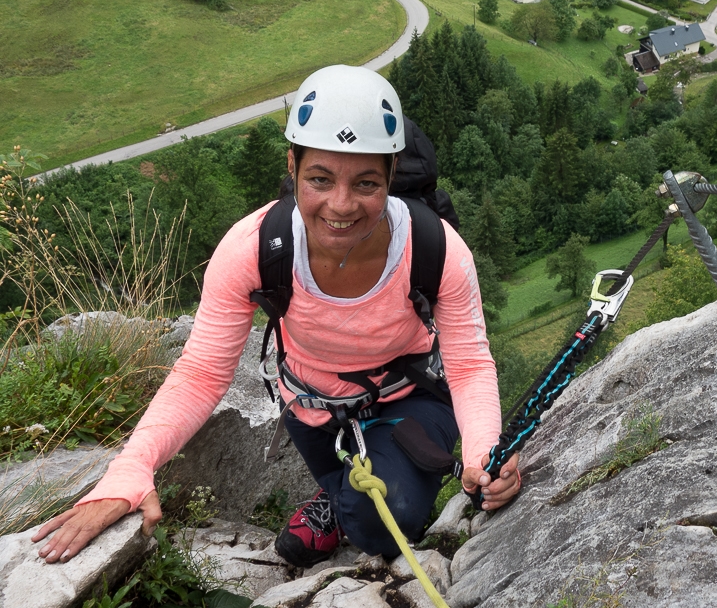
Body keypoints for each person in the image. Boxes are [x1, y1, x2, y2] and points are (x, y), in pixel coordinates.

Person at [33, 65, 520, 567]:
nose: (342, 204)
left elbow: (468, 362)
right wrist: (130, 469)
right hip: (312, 411)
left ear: (392, 176)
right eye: (320, 179)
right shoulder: (255, 249)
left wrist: (486, 449)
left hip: (410, 396)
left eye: (367, 183)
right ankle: (340, 499)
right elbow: (201, 373)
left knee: (388, 521)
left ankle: (346, 504)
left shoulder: (437, 248)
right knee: (365, 500)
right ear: (292, 166)